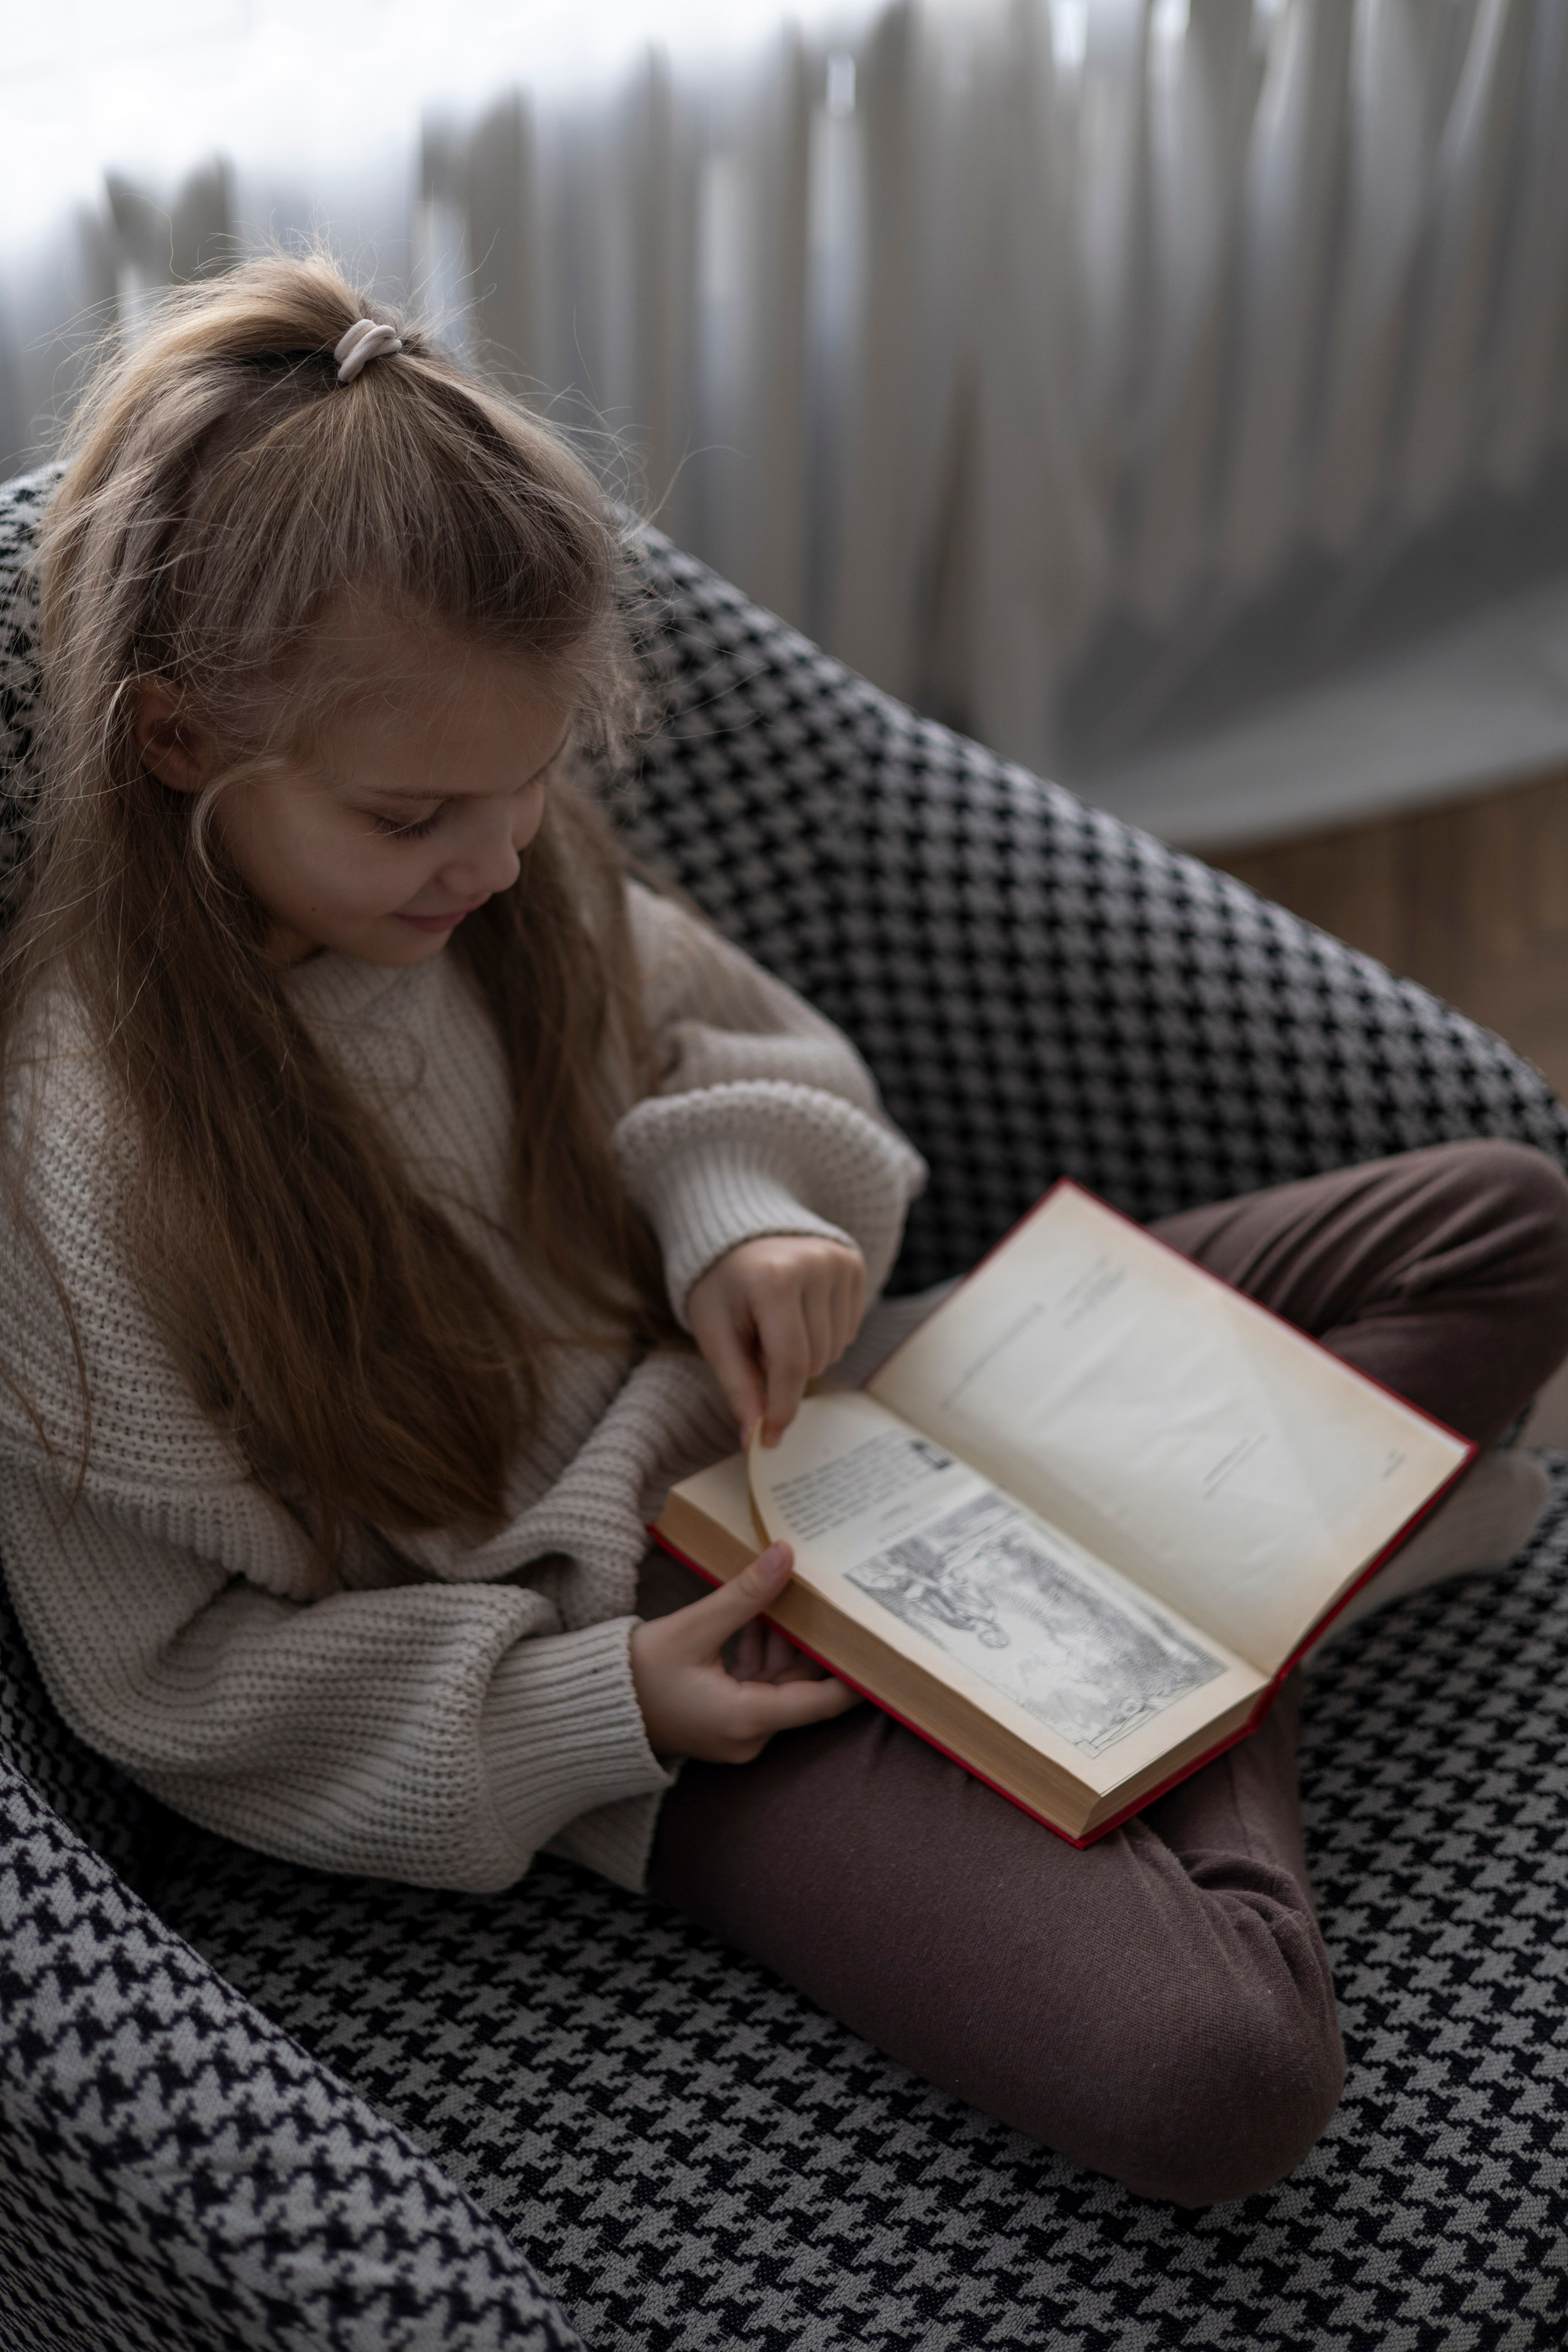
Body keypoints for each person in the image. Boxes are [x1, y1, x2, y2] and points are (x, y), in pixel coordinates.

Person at [3, 256, 1566, 2214]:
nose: (490, 863)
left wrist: (735, 1221)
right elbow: (167, 1681)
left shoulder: (508, 870)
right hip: (668, 1653)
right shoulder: (77, 1166)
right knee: (1221, 2074)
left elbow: (718, 1049)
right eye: (416, 818)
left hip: (858, 1424)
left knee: (1500, 1220)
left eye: (532, 782)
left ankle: (1139, 1653)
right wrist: (603, 1709)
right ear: (170, 745)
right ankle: (1206, 1622)